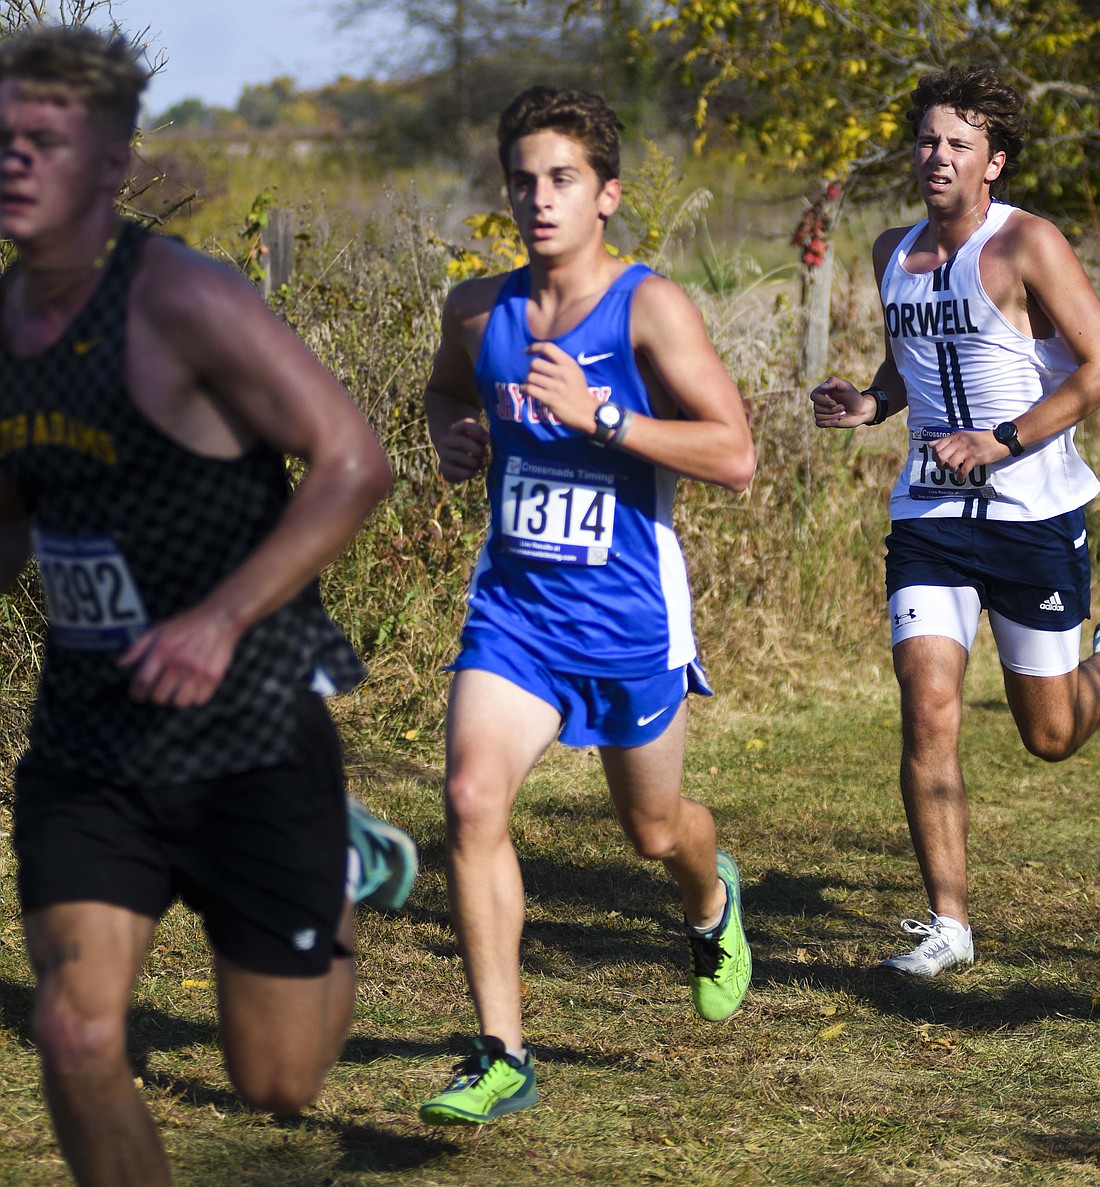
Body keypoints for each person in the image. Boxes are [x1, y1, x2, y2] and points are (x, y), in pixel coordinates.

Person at [0, 25, 416, 1187]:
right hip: (92, 736)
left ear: (111, 160)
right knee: (75, 1033)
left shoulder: (182, 296)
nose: (15, 162)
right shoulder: (4, 328)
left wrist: (218, 618)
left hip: (249, 729)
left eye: (46, 141)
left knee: (275, 1083)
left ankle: (336, 868)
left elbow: (351, 462)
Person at [418, 85, 756, 1126]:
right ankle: (501, 1053)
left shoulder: (648, 308)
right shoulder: (478, 310)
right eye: (521, 181)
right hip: (515, 611)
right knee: (472, 798)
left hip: (628, 620)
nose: (538, 199)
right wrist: (453, 438)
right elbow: (445, 393)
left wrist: (605, 414)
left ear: (605, 194)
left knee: (652, 832)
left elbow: (733, 454)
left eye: (561, 178)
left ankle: (710, 896)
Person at [811, 65, 1100, 977]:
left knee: (1050, 736)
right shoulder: (890, 250)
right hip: (929, 514)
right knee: (928, 706)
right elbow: (911, 367)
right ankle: (949, 922)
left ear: (994, 162)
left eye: (958, 144)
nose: (937, 157)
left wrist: (1003, 440)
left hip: (1033, 514)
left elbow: (1096, 371)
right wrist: (869, 403)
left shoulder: (1029, 246)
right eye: (929, 140)